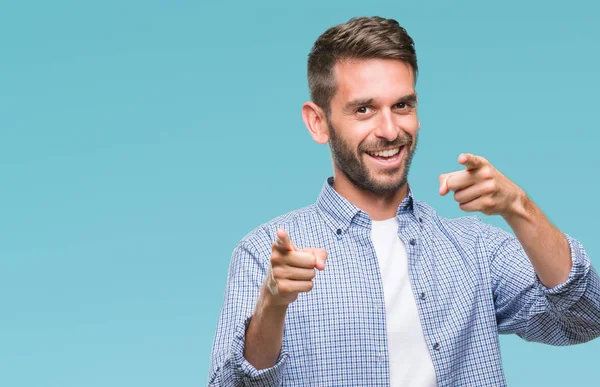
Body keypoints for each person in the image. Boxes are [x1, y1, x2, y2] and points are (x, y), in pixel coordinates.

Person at [208, 16, 600, 386]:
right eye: (364, 109)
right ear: (318, 122)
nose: (390, 129)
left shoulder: (477, 249)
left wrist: (519, 207)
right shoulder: (263, 254)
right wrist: (272, 305)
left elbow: (586, 318)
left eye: (402, 105)